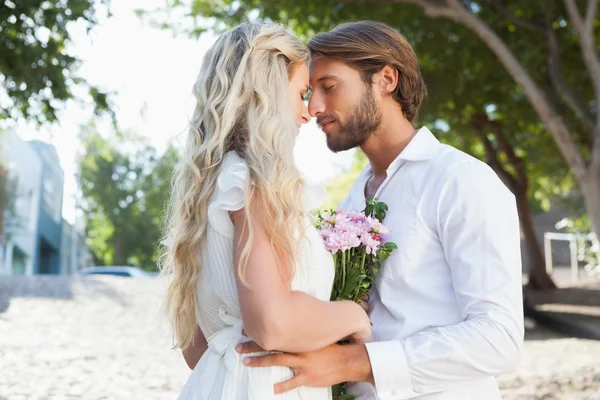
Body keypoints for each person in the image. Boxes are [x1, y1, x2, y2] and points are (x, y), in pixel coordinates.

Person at [237, 20, 525, 399]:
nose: (314, 107)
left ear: (386, 79)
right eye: (311, 91)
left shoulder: (460, 180)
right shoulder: (348, 203)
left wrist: (356, 363)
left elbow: (499, 339)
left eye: (329, 86)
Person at [159, 22, 372, 400]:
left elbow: (198, 351)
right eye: (301, 92)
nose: (308, 112)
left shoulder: (209, 189)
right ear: (268, 91)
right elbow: (272, 323)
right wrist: (354, 316)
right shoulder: (256, 182)